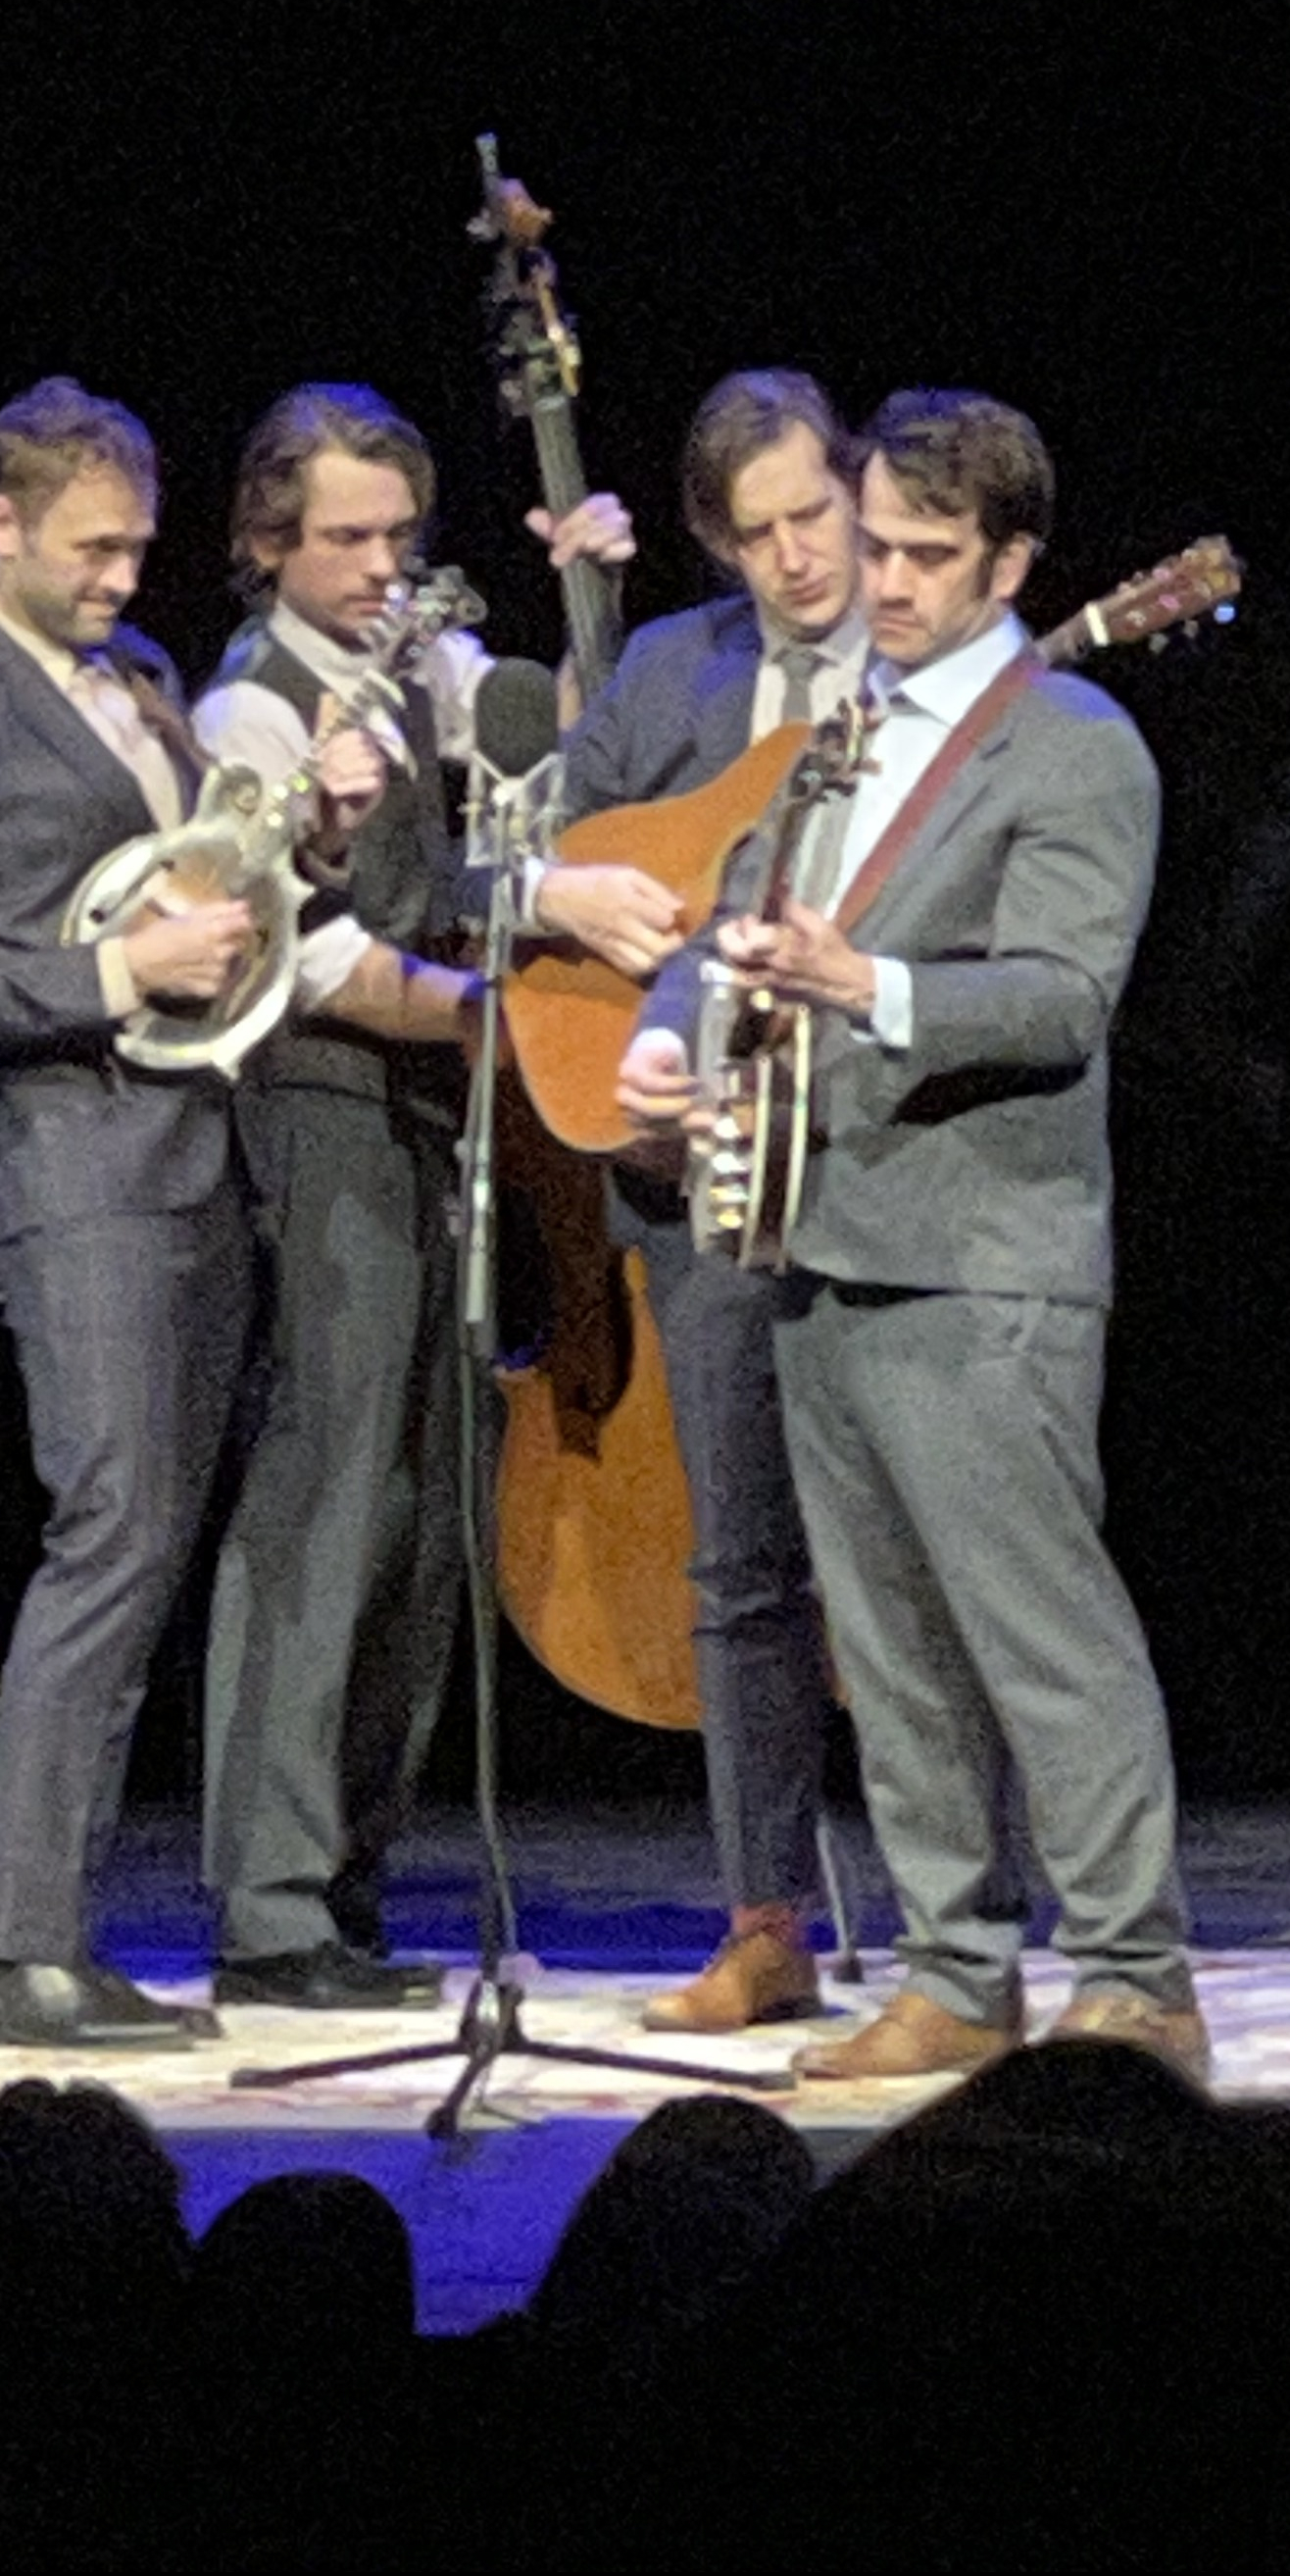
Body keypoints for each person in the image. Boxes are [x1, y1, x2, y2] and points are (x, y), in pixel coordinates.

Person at [0, 381, 475, 2047]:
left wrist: (318, 826)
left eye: (135, 547)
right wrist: (120, 972)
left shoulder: (132, 677)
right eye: (90, 549)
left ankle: (90, 1933)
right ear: (1, 524)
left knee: (152, 1551)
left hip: (195, 1157)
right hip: (73, 1175)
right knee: (109, 1537)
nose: (124, 579)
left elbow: (221, 881)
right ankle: (18, 1955)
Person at [620, 393, 1205, 2082]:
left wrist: (859, 982)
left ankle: (1136, 1976)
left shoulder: (1071, 742)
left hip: (982, 1257)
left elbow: (1061, 996)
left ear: (1010, 564)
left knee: (1038, 1635)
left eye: (927, 556)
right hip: (825, 1243)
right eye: (873, 543)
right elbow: (734, 923)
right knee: (888, 1649)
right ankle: (955, 1971)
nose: (883, 581)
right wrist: (675, 1037)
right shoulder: (844, 734)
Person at [195, 381, 644, 2002]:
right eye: (345, 539)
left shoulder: (422, 671)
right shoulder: (247, 712)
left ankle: (352, 1882)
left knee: (423, 1510)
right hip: (321, 1112)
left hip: (439, 1116)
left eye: (399, 535)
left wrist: (591, 605)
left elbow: (556, 769)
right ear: (267, 544)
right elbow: (308, 957)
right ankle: (271, 1907)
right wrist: (497, 1004)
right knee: (327, 1501)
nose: (382, 566)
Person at [544, 369, 875, 2031]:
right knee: (740, 1563)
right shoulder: (673, 671)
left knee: (920, 1561)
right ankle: (765, 1925)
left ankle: (974, 1926)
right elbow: (525, 866)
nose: (799, 556)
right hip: (705, 1177)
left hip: (882, 1164)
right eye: (759, 534)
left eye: (817, 514)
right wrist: (563, 898)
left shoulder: (930, 663)